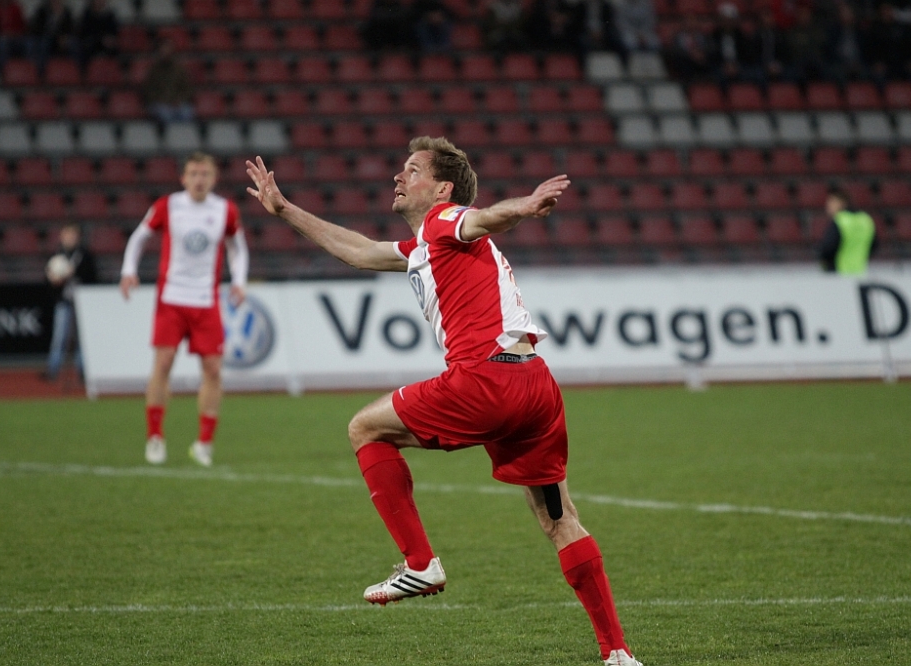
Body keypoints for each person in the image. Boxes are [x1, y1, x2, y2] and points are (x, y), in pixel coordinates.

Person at [245, 138, 643, 666]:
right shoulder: (422, 247)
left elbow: (483, 219)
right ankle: (617, 653)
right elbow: (359, 250)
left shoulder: (443, 220)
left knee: (364, 428)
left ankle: (420, 563)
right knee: (561, 519)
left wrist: (523, 207)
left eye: (412, 170)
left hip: (485, 382)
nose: (398, 177)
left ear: (441, 189)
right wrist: (284, 209)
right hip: (534, 388)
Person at [120, 152, 248, 467]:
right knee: (163, 363)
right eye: (193, 173)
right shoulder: (169, 205)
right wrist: (128, 270)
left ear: (214, 178)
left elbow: (238, 247)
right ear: (183, 178)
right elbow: (139, 237)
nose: (199, 179)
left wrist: (239, 281)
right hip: (172, 298)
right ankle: (155, 437)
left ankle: (204, 443)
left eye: (205, 174)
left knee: (213, 370)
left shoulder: (225, 210)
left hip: (206, 300)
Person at [44, 223, 97, 381]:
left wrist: (74, 272)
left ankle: (83, 371)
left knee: (82, 338)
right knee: (60, 336)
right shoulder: (57, 256)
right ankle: (53, 369)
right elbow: (49, 278)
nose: (70, 239)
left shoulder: (85, 255)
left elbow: (93, 277)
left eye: (73, 235)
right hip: (64, 301)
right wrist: (54, 280)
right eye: (67, 235)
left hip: (82, 303)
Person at [818, 188, 877, 275]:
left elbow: (828, 248)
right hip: (860, 272)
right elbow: (874, 245)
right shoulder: (865, 219)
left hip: (838, 272)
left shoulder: (840, 220)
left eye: (832, 202)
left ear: (843, 203)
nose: (828, 206)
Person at [141, 39, 194, 124]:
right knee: (165, 114)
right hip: (159, 103)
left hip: (177, 103)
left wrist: (178, 100)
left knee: (187, 112)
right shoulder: (153, 70)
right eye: (163, 50)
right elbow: (149, 90)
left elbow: (187, 89)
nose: (166, 52)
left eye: (168, 49)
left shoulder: (179, 69)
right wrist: (163, 101)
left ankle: (182, 133)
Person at [27, 0, 76, 73]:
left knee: (73, 44)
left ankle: (76, 70)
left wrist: (63, 36)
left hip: (60, 37)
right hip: (46, 37)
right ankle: (41, 71)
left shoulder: (66, 12)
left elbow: (70, 28)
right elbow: (37, 28)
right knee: (43, 43)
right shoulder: (42, 10)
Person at [77, 0, 119, 66]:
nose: (99, 2)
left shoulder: (110, 15)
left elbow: (114, 31)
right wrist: (101, 39)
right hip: (91, 44)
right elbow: (84, 33)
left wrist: (110, 39)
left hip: (106, 44)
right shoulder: (87, 15)